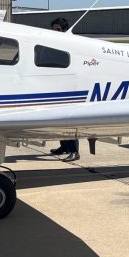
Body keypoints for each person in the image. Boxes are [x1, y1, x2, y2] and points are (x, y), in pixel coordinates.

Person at [48, 17, 81, 161]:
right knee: (58, 119)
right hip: (57, 84)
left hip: (70, 86)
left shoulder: (71, 43)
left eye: (58, 30)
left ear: (65, 30)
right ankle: (64, 146)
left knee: (68, 120)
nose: (55, 32)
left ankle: (74, 151)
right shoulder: (53, 42)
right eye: (53, 29)